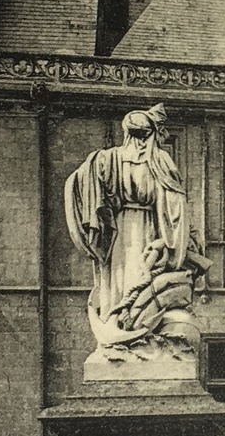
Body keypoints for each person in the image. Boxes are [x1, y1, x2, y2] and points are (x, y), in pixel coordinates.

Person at [64, 104, 208, 351]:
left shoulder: (110, 159)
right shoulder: (151, 160)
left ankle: (129, 327)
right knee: (133, 277)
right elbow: (175, 208)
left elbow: (79, 185)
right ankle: (127, 328)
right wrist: (173, 241)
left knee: (128, 279)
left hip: (131, 230)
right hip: (140, 228)